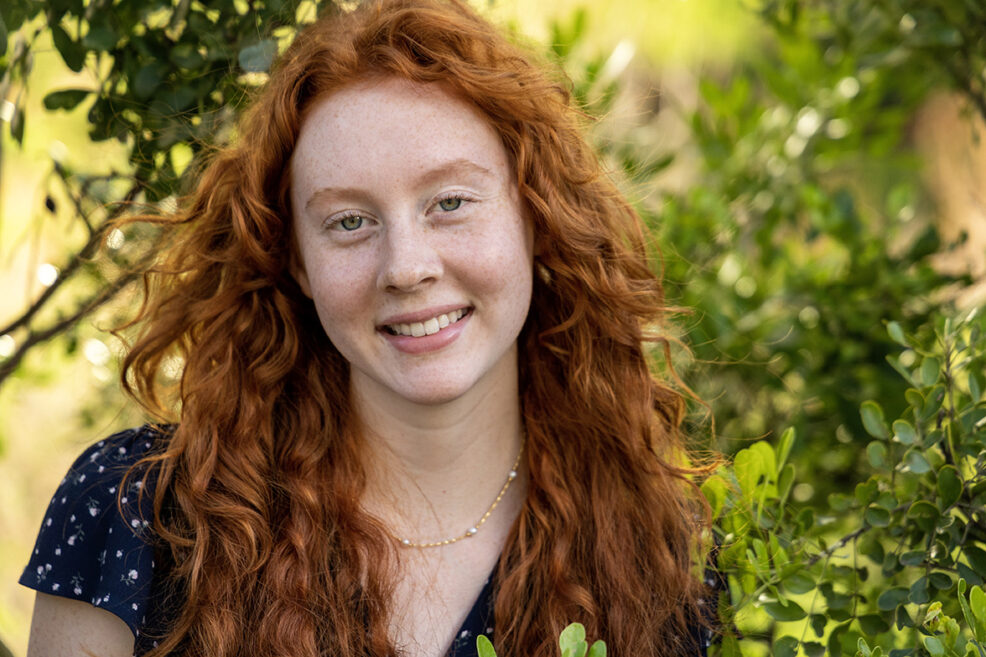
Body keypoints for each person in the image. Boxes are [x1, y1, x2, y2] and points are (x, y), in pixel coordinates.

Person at [20, 0, 715, 655]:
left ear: (535, 215)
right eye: (349, 221)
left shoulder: (660, 554)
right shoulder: (138, 519)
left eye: (450, 202)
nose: (406, 267)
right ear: (295, 259)